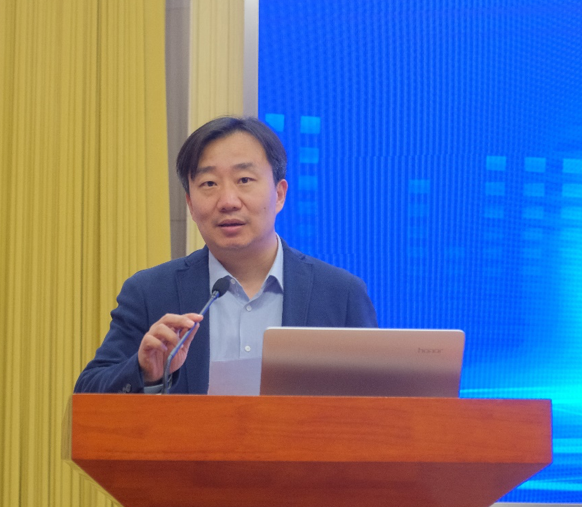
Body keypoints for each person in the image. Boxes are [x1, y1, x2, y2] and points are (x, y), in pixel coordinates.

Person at [74, 116, 377, 394]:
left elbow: (380, 404)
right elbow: (88, 393)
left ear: (279, 194)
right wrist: (146, 372)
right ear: (191, 205)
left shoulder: (341, 295)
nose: (228, 201)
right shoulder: (150, 293)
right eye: (209, 184)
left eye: (244, 180)